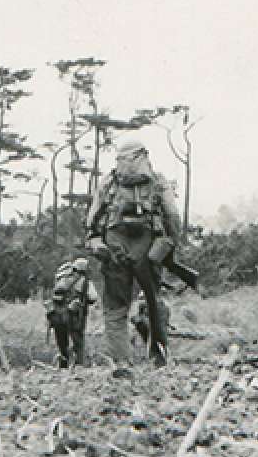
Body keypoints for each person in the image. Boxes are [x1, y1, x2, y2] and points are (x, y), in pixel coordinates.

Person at [84, 140, 180, 366]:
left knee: (116, 308)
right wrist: (170, 245)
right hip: (149, 250)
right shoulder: (157, 181)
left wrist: (95, 239)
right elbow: (172, 216)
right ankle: (159, 358)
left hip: (114, 248)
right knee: (154, 303)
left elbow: (92, 219)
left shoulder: (109, 182)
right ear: (144, 156)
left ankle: (121, 362)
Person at [45, 257, 92, 368]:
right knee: (78, 341)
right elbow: (93, 297)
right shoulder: (84, 281)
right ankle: (80, 364)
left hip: (56, 315)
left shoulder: (61, 278)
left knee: (62, 342)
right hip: (73, 316)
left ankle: (63, 365)